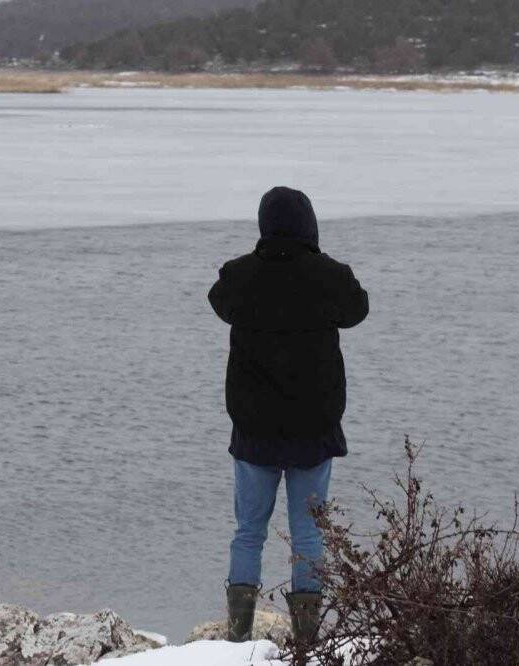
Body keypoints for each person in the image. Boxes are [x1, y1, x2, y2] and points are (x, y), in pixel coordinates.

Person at [208, 187, 368, 654]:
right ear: (309, 223)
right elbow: (358, 308)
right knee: (309, 534)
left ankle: (238, 638)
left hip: (254, 433)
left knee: (248, 531)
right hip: (313, 433)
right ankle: (307, 644)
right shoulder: (330, 277)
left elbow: (218, 301)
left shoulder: (239, 277)